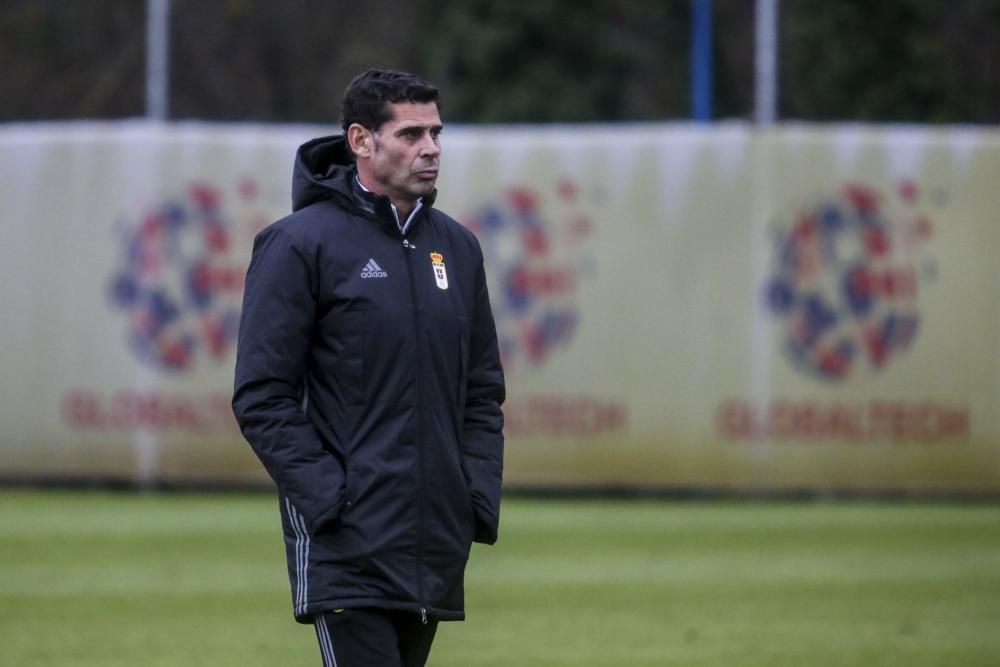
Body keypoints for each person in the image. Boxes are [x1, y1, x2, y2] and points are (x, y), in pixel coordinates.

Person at [232, 69, 505, 666]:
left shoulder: (457, 248)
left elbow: (481, 393)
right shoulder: (297, 244)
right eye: (410, 134)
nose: (430, 148)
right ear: (362, 140)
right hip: (345, 543)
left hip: (433, 540)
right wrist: (332, 500)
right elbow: (261, 395)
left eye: (435, 133)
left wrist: (473, 497)